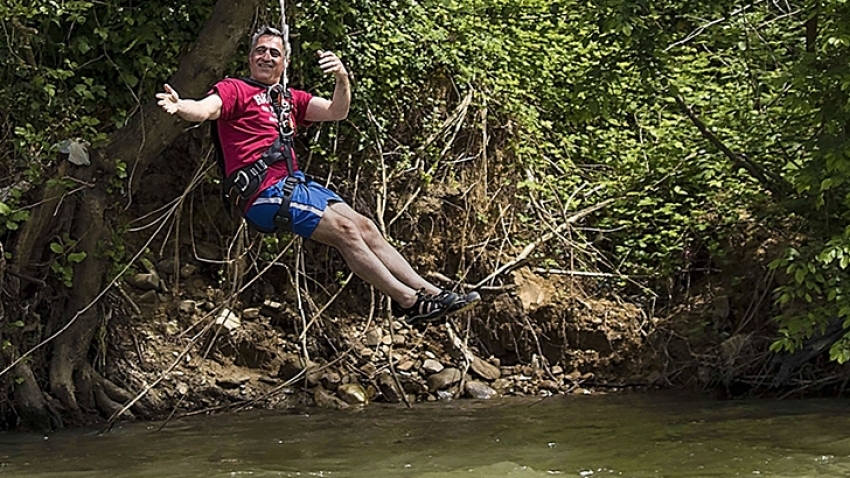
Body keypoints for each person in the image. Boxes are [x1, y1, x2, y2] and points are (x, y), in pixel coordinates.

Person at [157, 25, 479, 324]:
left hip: (295, 185)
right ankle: (409, 302)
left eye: (274, 53)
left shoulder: (289, 99)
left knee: (364, 226)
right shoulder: (235, 90)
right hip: (263, 193)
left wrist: (342, 77)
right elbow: (206, 108)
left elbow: (337, 111)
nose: (266, 56)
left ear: (284, 63)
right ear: (250, 56)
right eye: (261, 51)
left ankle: (433, 294)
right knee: (344, 231)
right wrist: (182, 105)